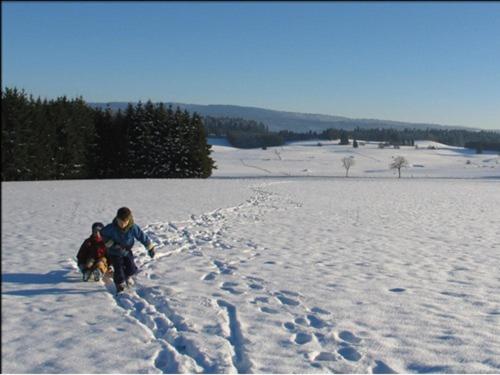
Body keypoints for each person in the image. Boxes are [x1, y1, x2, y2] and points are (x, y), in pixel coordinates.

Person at [101, 207, 156, 293]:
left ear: (129, 220)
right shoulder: (112, 228)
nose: (122, 224)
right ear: (117, 219)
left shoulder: (133, 228)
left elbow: (142, 237)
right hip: (114, 252)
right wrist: (111, 243)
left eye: (125, 222)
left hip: (126, 251)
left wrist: (150, 247)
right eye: (120, 222)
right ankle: (119, 284)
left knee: (131, 268)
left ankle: (127, 276)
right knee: (118, 269)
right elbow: (102, 234)